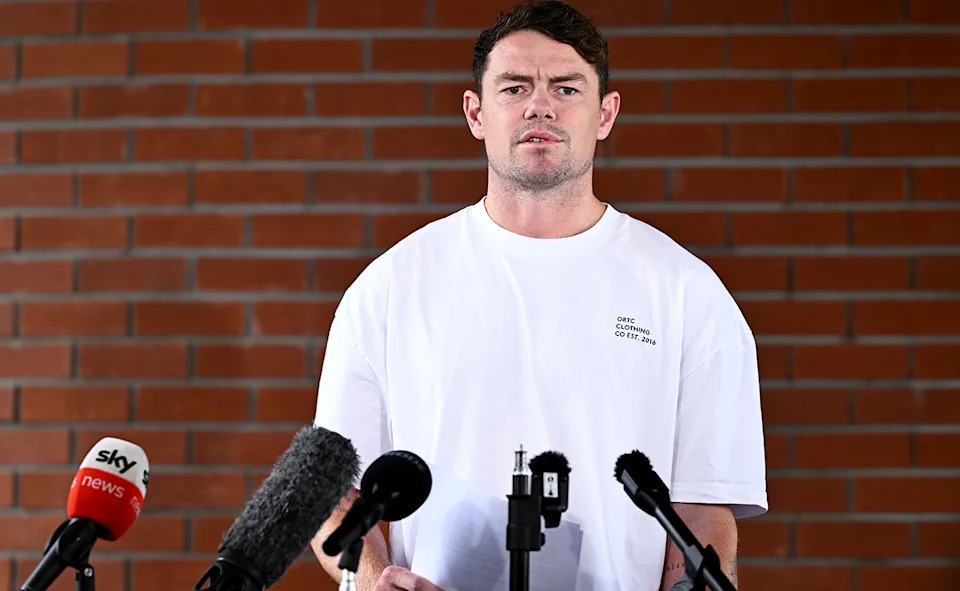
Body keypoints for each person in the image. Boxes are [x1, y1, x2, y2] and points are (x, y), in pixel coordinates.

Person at [310, 1, 768, 590]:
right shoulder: (390, 288)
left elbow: (703, 508)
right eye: (514, 87)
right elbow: (337, 494)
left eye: (566, 87)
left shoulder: (687, 293)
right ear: (475, 112)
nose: (540, 104)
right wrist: (372, 581)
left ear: (606, 114)